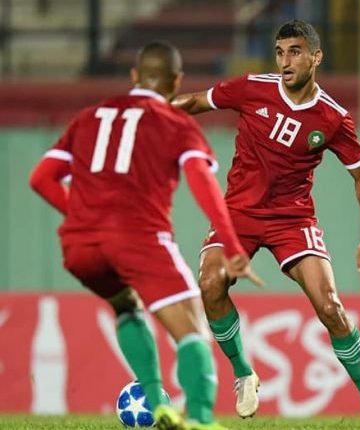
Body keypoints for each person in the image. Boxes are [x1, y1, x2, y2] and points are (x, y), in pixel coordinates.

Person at [172, 19, 360, 430]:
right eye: (279, 53)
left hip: (292, 219)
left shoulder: (333, 117)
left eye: (295, 52)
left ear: (316, 57)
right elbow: (195, 102)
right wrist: (149, 111)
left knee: (330, 306)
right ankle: (244, 373)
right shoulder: (251, 88)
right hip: (239, 213)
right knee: (210, 283)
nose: (284, 62)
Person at [29, 41, 262, 430]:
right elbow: (202, 183)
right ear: (177, 81)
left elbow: (41, 179)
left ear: (135, 76)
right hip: (138, 237)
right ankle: (201, 419)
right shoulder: (175, 123)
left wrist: (85, 217)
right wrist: (232, 244)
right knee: (192, 330)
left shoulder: (90, 117)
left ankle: (158, 404)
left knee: (126, 307)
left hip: (80, 246)